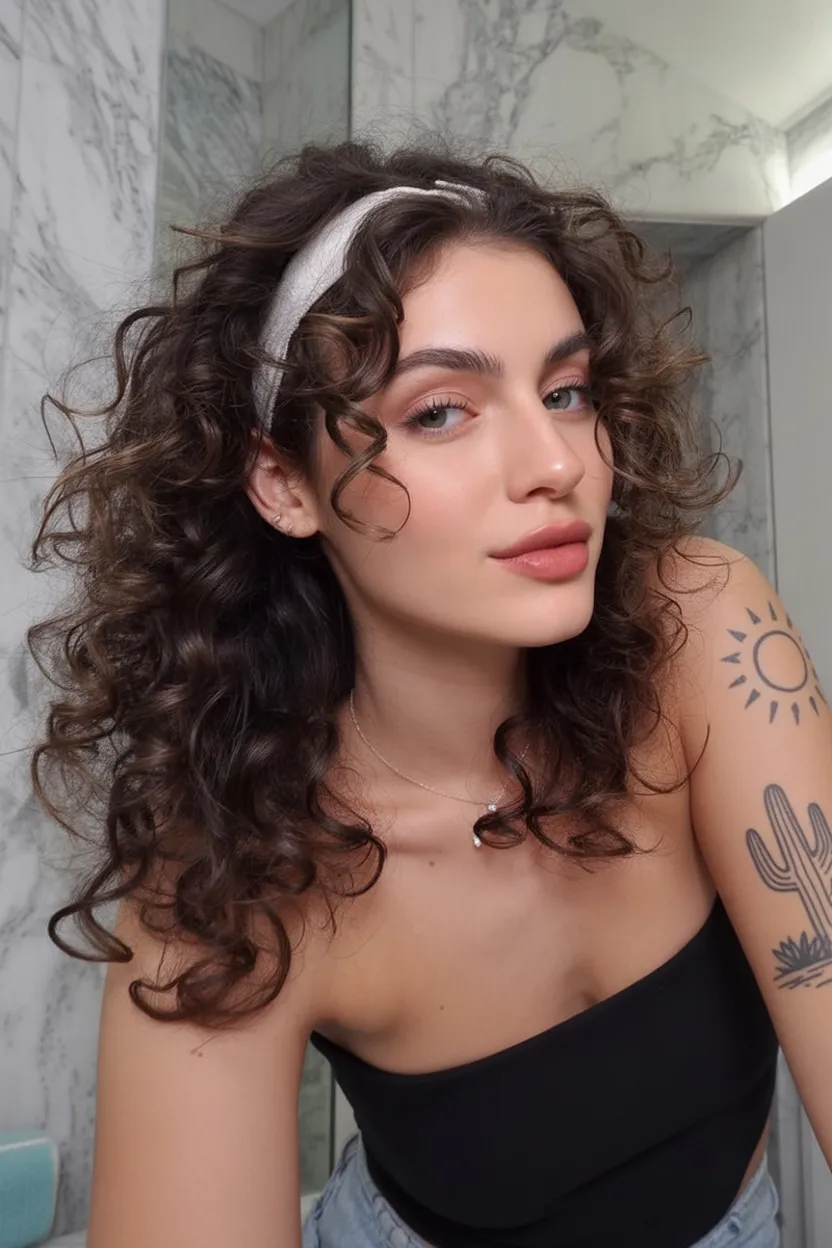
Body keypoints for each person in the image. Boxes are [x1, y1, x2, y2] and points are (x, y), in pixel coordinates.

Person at [28, 139, 832, 1248]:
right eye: (441, 412)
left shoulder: (696, 630)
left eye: (565, 391)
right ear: (282, 481)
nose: (555, 462)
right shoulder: (237, 867)